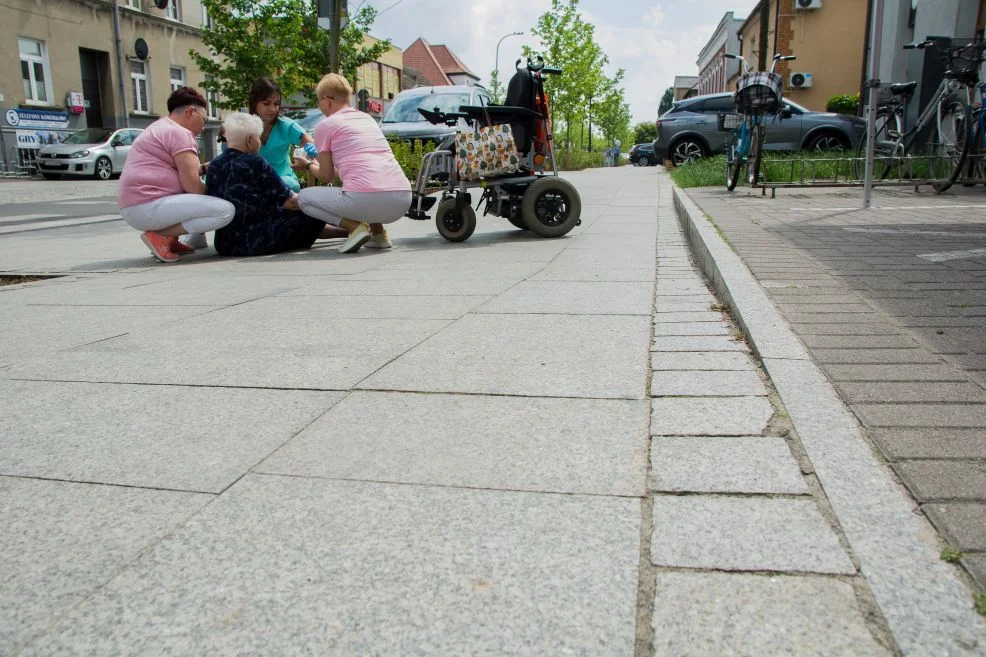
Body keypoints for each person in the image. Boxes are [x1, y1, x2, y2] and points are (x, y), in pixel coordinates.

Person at [296, 73, 412, 253]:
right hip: (402, 199)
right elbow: (348, 169)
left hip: (367, 198)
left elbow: (326, 175)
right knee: (364, 179)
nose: (319, 107)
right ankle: (379, 234)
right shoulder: (368, 119)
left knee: (303, 199)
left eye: (318, 101)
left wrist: (308, 166)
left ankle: (354, 228)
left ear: (327, 100)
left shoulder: (325, 126)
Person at [117, 86, 234, 263]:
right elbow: (192, 186)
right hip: (148, 205)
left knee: (204, 203)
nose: (203, 127)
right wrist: (217, 193)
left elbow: (178, 170)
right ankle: (160, 236)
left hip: (137, 204)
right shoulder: (181, 134)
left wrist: (204, 168)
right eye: (204, 119)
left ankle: (171, 240)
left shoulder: (160, 127)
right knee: (225, 211)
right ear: (190, 112)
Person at [206, 112, 332, 257]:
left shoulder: (214, 165)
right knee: (310, 209)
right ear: (249, 140)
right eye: (258, 138)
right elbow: (290, 201)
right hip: (259, 240)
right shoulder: (254, 161)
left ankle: (347, 231)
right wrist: (325, 201)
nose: (260, 142)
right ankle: (349, 227)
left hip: (226, 244)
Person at [249, 77, 317, 193]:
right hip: (253, 181)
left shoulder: (286, 126)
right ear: (254, 102)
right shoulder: (244, 126)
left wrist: (311, 155)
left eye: (276, 104)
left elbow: (313, 146)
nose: (273, 109)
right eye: (266, 103)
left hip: (284, 182)